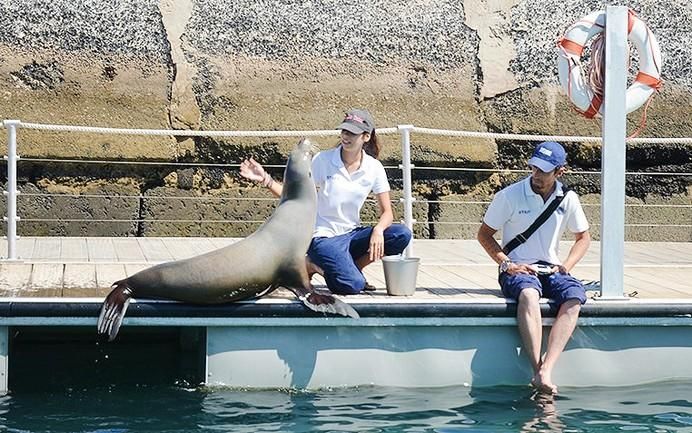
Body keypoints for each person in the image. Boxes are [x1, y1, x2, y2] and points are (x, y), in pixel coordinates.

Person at [240, 109, 412, 294]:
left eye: (352, 133)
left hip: (352, 234)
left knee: (401, 234)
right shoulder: (323, 160)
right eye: (344, 131)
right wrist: (266, 180)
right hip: (323, 237)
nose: (345, 137)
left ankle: (355, 267)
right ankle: (312, 264)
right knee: (351, 285)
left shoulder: (374, 167)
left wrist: (378, 230)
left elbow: (387, 213)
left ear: (366, 136)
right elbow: (295, 195)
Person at [476, 141, 591, 394]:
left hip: (552, 268)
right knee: (529, 295)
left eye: (544, 170)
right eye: (534, 168)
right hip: (516, 267)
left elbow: (583, 237)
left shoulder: (568, 198)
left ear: (560, 171)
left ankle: (546, 369)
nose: (536, 174)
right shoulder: (508, 196)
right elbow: (484, 235)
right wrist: (507, 263)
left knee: (575, 298)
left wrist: (566, 266)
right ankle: (536, 367)